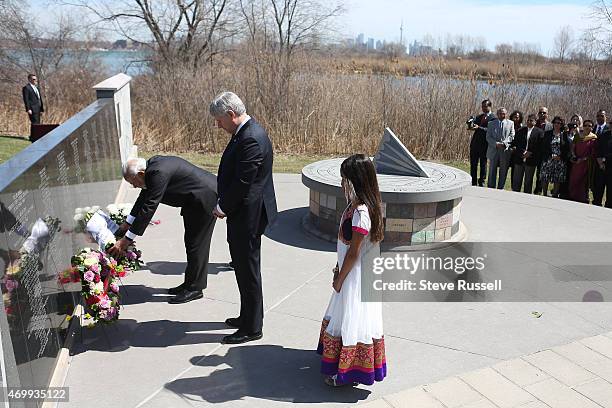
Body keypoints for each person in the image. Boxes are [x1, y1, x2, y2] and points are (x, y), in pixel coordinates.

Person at [210, 91, 278, 345]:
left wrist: (222, 207)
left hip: (247, 216)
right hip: (244, 214)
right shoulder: (246, 132)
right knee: (243, 267)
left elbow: (243, 182)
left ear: (231, 114)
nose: (218, 125)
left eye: (219, 120)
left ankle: (252, 327)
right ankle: (247, 316)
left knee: (248, 270)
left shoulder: (250, 138)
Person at [317, 154, 386, 387]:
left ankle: (346, 373)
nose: (341, 183)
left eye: (345, 179)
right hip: (350, 271)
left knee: (352, 318)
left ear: (356, 181)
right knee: (345, 315)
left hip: (355, 276)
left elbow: (355, 252)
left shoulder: (361, 213)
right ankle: (339, 365)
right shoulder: (356, 206)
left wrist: (340, 279)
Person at [108, 156, 218, 304]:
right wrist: (127, 224)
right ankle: (190, 284)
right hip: (194, 201)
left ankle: (195, 289)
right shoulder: (151, 169)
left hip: (204, 199)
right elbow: (143, 197)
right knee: (192, 244)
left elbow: (149, 206)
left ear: (141, 174)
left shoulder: (158, 172)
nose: (134, 186)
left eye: (132, 182)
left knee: (197, 245)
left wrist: (126, 240)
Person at [511, 114, 543, 193]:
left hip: (531, 159)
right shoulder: (520, 130)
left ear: (535, 122)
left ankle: (526, 198)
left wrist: (530, 153)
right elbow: (515, 144)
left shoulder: (539, 132)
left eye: (531, 120)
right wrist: (523, 152)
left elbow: (540, 147)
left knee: (528, 181)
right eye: (528, 120)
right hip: (519, 158)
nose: (529, 122)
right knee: (516, 180)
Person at [569, 120, 597, 203]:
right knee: (574, 179)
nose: (587, 127)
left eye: (589, 126)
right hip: (576, 162)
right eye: (585, 125)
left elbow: (593, 153)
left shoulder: (593, 138)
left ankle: (582, 198)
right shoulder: (578, 136)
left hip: (586, 163)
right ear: (583, 126)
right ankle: (572, 196)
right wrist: (574, 156)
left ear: (592, 128)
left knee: (583, 181)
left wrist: (583, 159)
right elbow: (572, 147)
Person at [540, 117, 570, 197]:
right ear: (553, 123)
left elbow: (567, 148)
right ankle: (544, 194)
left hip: (559, 160)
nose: (557, 124)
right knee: (545, 177)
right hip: (548, 159)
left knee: (557, 178)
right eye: (555, 122)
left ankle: (555, 195)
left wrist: (560, 156)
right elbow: (543, 146)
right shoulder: (547, 133)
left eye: (559, 123)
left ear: (561, 125)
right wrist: (551, 155)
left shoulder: (564, 135)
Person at [486, 107, 515, 189]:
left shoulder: (510, 123)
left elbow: (512, 135)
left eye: (504, 113)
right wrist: (495, 144)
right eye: (500, 113)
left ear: (506, 114)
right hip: (493, 150)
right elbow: (488, 137)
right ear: (497, 114)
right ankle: (491, 187)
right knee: (492, 170)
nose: (502, 115)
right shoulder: (491, 123)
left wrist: (504, 143)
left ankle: (500, 187)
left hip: (505, 150)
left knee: (503, 170)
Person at [469, 99, 494, 186]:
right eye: (482, 106)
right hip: (475, 144)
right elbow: (473, 125)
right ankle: (473, 181)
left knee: (483, 164)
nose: (483, 108)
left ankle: (482, 181)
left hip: (484, 145)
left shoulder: (493, 118)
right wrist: (470, 123)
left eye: (485, 106)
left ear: (490, 106)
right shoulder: (479, 116)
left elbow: (490, 131)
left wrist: (479, 128)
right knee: (473, 164)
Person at [533, 106, 553, 194]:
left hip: (544, 154)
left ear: (547, 115)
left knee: (540, 173)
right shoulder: (534, 123)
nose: (542, 114)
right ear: (538, 114)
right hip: (532, 152)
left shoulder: (551, 126)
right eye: (540, 112)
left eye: (544, 113)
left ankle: (538, 190)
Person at [593, 110, 610, 206]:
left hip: (607, 163)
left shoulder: (609, 128)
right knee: (597, 184)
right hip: (595, 161)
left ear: (605, 117)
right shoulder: (592, 127)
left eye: (602, 116)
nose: (600, 117)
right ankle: (596, 202)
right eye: (598, 116)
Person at [596, 118, 612, 208]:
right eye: (611, 123)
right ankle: (596, 205)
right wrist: (600, 163)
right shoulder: (604, 136)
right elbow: (598, 150)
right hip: (602, 165)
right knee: (598, 189)